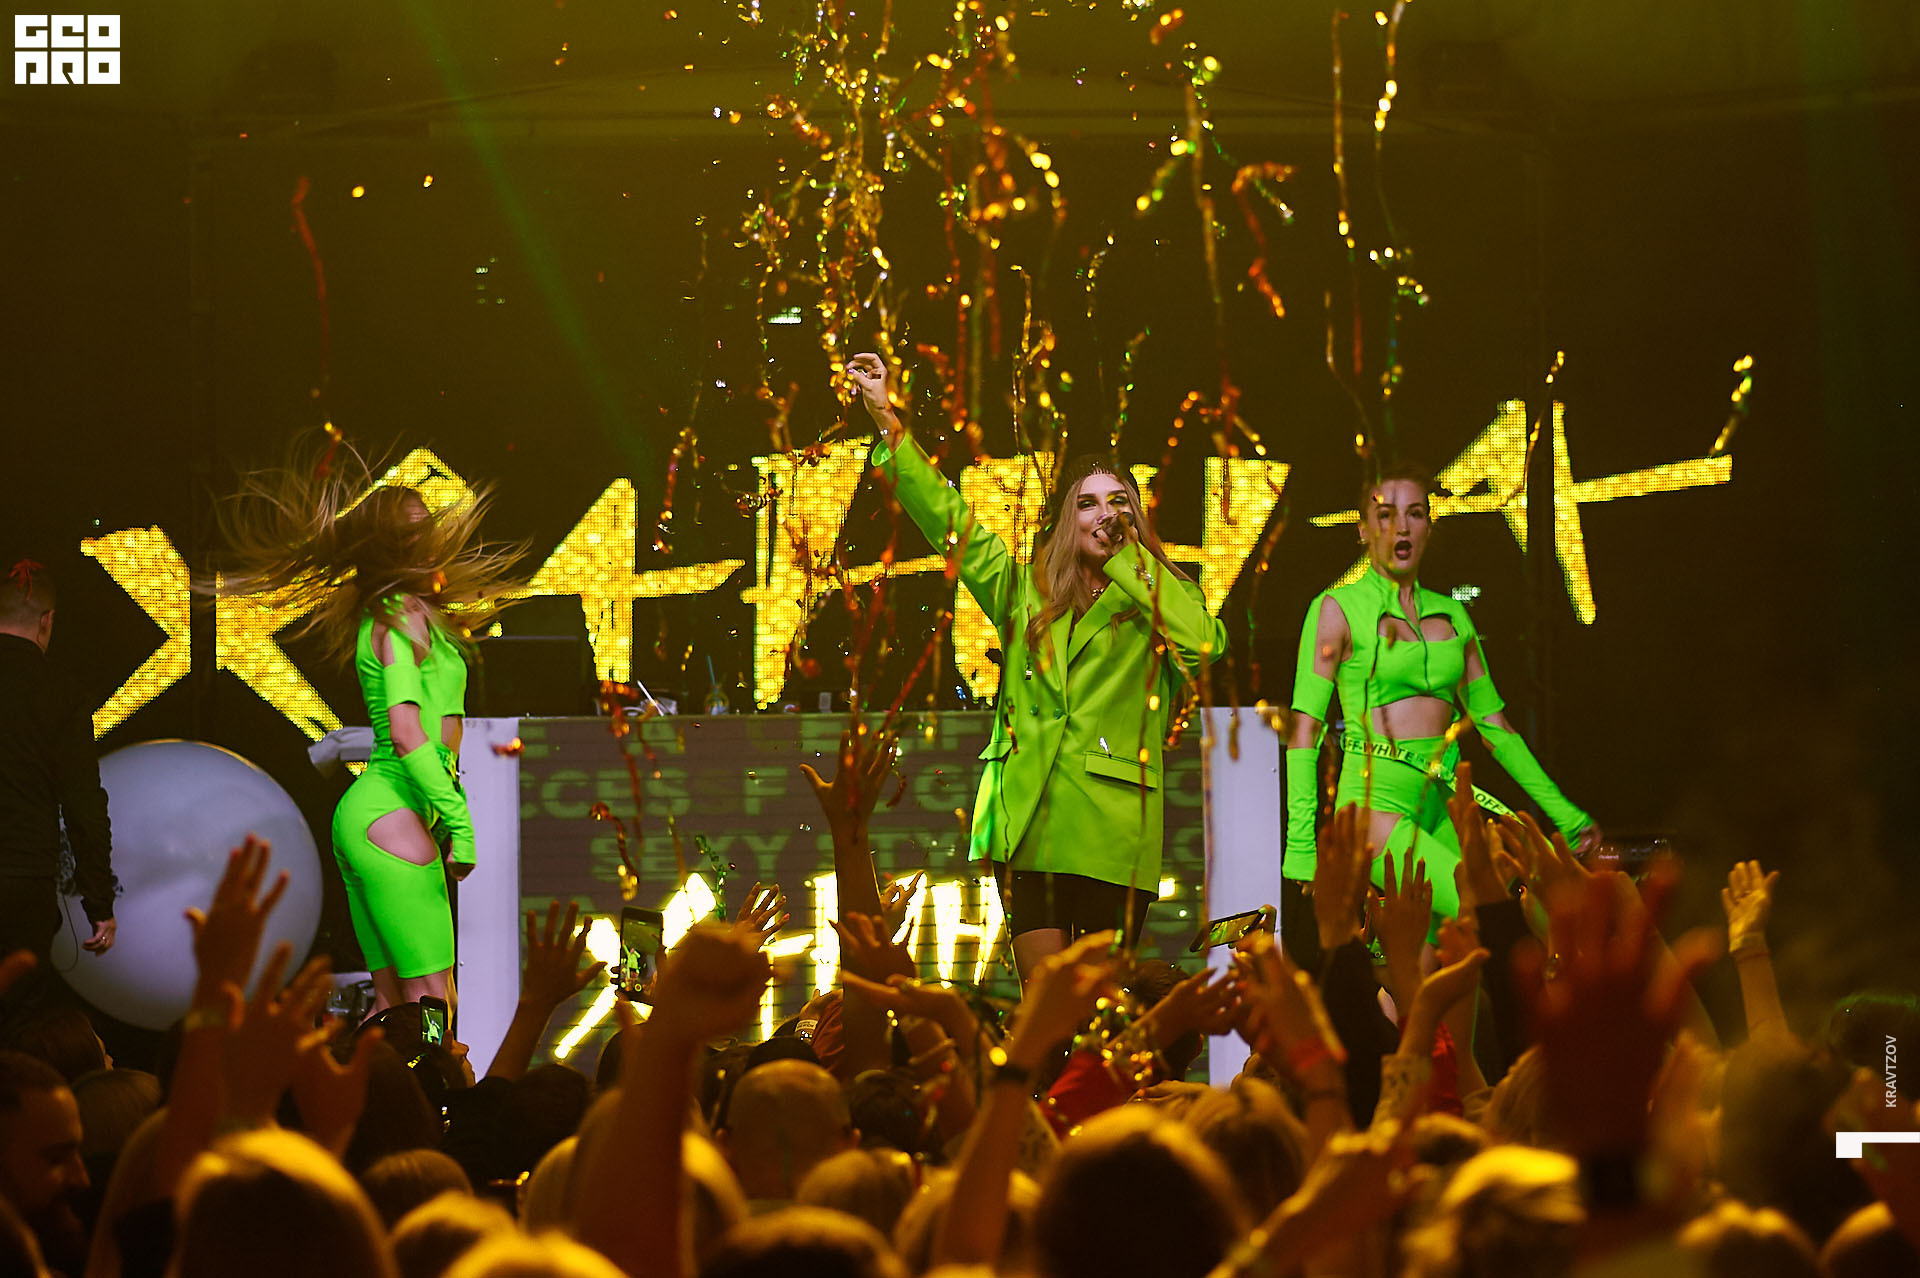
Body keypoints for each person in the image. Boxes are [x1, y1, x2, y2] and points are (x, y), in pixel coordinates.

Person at [848, 351, 1227, 978]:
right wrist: (889, 421)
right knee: (1045, 1004)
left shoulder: (1160, 595)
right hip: (1029, 823)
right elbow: (952, 524)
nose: (1105, 514)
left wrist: (1130, 562)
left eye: (1118, 502)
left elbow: (1205, 648)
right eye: (1088, 503)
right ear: (1065, 519)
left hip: (1112, 826)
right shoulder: (1024, 591)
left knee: (1097, 1006)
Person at [214, 450, 520, 1014]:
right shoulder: (399, 617)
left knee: (392, 1002)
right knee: (432, 1002)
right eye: (419, 531)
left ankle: (374, 1074)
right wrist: (459, 819)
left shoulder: (401, 614)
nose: (433, 539)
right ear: (397, 548)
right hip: (391, 812)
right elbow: (405, 732)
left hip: (376, 815)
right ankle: (437, 1075)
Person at [1284, 463, 1601, 930]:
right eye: (1386, 515)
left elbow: (1497, 729)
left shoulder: (1452, 615)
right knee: (1492, 915)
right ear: (1363, 529)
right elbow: (1305, 728)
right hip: (1374, 810)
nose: (1401, 526)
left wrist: (1566, 816)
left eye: (1415, 513)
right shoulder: (1336, 609)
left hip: (1444, 805)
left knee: (1463, 949)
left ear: (1429, 528)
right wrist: (1301, 846)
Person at [0, 558, 118, 1002]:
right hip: (22, 885)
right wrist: (99, 902)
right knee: (17, 1017)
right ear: (47, 621)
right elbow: (84, 804)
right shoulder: (62, 693)